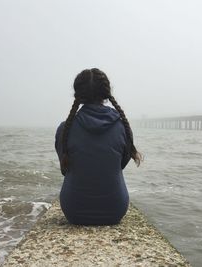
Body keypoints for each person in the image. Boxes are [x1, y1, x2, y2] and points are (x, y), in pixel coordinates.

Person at [55, 68, 142, 226]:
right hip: (114, 210)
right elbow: (120, 165)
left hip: (74, 210)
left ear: (78, 94)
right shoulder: (123, 126)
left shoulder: (65, 129)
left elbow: (65, 168)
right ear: (106, 93)